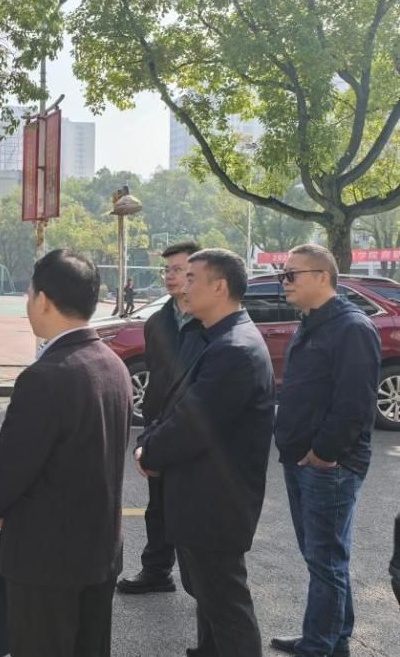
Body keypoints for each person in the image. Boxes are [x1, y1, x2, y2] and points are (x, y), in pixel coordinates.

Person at [0, 250, 132, 656]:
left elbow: (12, 465)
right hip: (99, 550)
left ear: (43, 300)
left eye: (29, 293)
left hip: (45, 560)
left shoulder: (46, 376)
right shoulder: (113, 365)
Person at [135, 249, 274, 657]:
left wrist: (149, 452)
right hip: (201, 498)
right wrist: (150, 440)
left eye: (192, 278)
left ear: (220, 287)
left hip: (216, 504)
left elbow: (193, 425)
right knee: (209, 598)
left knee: (227, 607)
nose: (183, 285)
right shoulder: (209, 335)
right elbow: (175, 404)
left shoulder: (235, 348)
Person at [270, 244, 381, 657]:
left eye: (291, 275)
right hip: (302, 458)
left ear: (321, 276)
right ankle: (334, 638)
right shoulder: (314, 322)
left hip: (328, 464)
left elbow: (355, 402)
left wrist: (325, 453)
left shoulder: (351, 327)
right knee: (323, 558)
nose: (284, 282)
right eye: (283, 274)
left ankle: (319, 645)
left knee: (325, 560)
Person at [117, 241, 202, 596]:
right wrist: (149, 433)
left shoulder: (210, 321)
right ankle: (156, 570)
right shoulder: (157, 323)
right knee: (158, 506)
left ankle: (203, 584)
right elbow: (157, 376)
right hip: (162, 426)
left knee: (195, 511)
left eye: (178, 270)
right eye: (166, 270)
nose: (169, 276)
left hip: (198, 432)